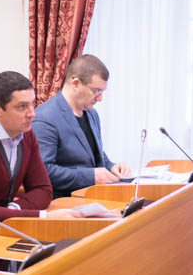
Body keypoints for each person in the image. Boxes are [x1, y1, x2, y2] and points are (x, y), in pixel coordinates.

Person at [0, 71, 82, 229]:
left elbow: (43, 190)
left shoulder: (26, 134)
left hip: (4, 222)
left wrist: (14, 209)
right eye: (22, 107)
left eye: (32, 104)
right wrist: (44, 217)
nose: (32, 113)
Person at [32, 55, 131, 198]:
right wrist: (91, 176)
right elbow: (43, 172)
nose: (100, 98)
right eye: (96, 91)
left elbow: (93, 155)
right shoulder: (45, 118)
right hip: (62, 202)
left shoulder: (92, 114)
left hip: (92, 197)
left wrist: (112, 167)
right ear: (75, 83)